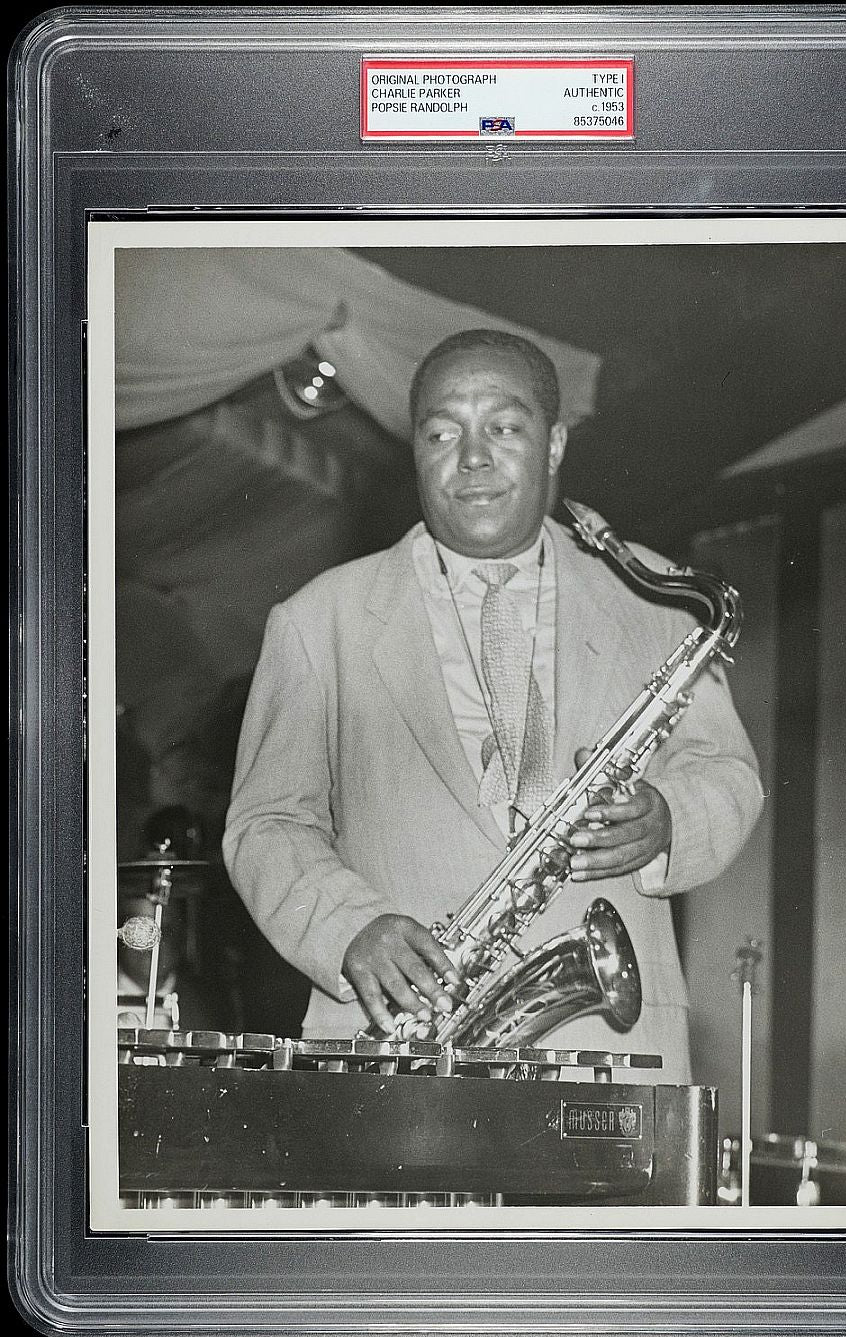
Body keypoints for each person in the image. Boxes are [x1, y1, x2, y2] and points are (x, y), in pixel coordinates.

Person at [223, 329, 763, 1082]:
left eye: (504, 428)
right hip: (399, 1039)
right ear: (415, 452)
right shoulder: (317, 620)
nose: (472, 458)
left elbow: (728, 774)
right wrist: (349, 929)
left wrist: (670, 817)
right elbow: (267, 823)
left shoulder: (657, 595)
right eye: (442, 433)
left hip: (612, 1044)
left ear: (554, 445)